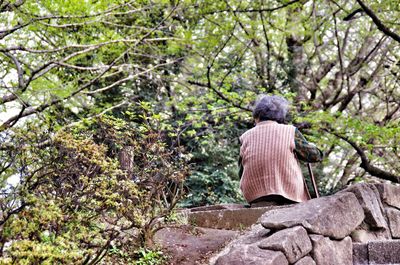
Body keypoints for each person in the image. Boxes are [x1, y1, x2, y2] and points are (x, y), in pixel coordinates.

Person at [239, 95, 323, 207]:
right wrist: (312, 147)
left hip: (254, 195)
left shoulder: (244, 137)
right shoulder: (290, 131)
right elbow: (315, 156)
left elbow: (241, 170)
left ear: (257, 115)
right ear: (280, 115)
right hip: (287, 192)